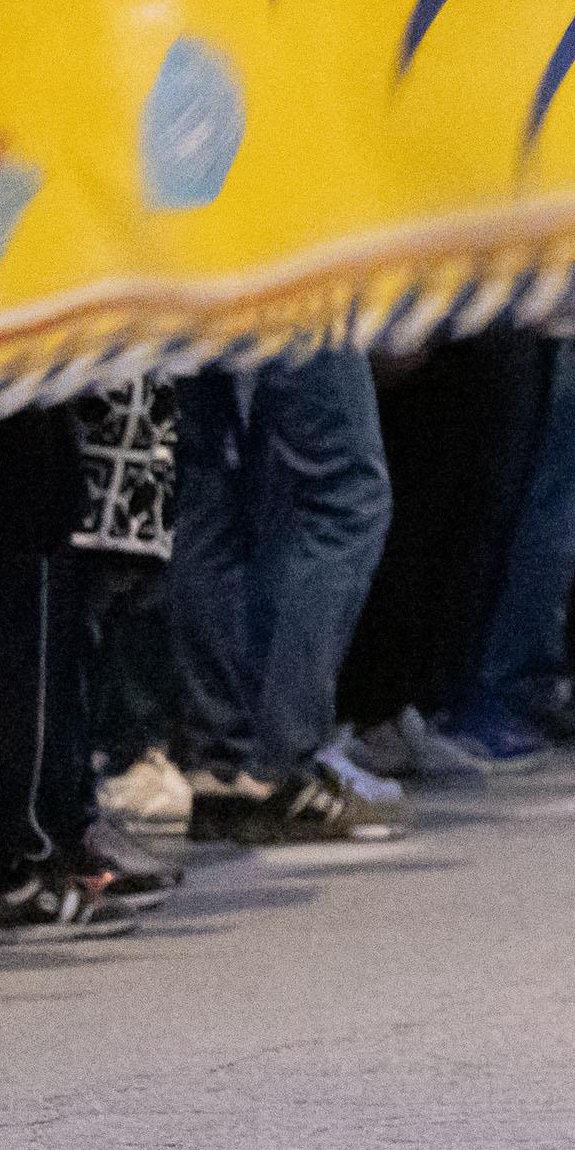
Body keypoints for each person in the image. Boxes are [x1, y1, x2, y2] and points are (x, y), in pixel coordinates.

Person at [167, 351, 404, 845]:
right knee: (342, 493)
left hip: (178, 277)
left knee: (207, 489)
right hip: (276, 280)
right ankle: (277, 767)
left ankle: (219, 762)